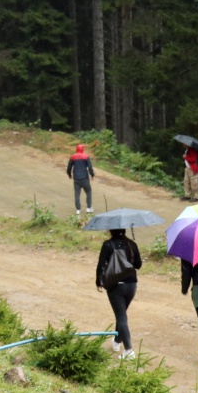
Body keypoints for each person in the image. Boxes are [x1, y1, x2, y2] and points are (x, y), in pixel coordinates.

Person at [96, 228, 143, 359]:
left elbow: (101, 265)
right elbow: (138, 265)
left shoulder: (108, 244)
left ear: (111, 230)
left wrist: (98, 282)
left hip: (116, 285)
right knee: (121, 314)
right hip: (132, 285)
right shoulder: (131, 244)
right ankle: (117, 341)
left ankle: (129, 350)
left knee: (121, 316)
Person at [67, 143, 95, 219]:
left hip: (76, 178)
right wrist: (92, 175)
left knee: (77, 194)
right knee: (88, 192)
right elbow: (90, 167)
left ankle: (78, 209)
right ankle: (89, 208)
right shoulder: (86, 157)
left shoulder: (73, 157)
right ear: (83, 150)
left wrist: (69, 174)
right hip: (85, 178)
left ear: (76, 149)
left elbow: (69, 167)